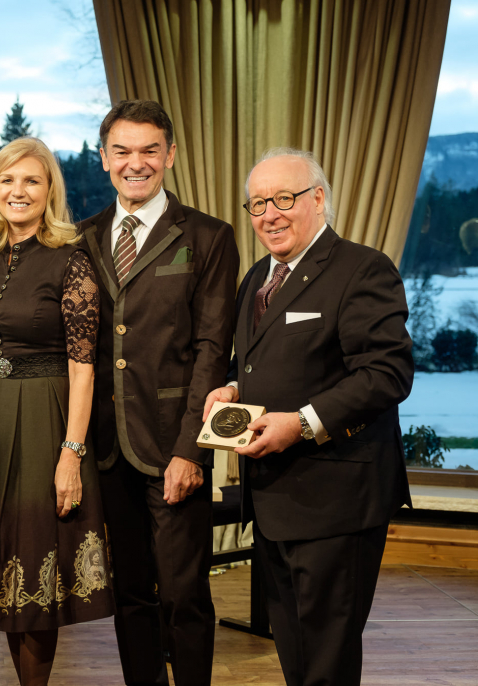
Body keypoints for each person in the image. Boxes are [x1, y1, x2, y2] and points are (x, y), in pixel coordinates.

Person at [203, 148, 413, 686]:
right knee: (297, 656)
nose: (269, 214)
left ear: (318, 199)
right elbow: (253, 361)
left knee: (326, 663)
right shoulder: (258, 276)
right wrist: (232, 386)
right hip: (272, 500)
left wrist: (300, 423)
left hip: (338, 500)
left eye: (283, 198)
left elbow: (386, 373)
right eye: (257, 204)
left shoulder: (362, 269)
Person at [0, 137, 113, 686]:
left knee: (37, 564)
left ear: (49, 190)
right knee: (4, 570)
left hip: (45, 420)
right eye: (7, 181)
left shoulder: (72, 261)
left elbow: (83, 369)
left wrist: (71, 453)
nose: (18, 191)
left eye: (31, 180)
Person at [77, 100, 239, 686]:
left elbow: (212, 350)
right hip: (106, 448)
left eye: (149, 150)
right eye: (122, 151)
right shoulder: (82, 237)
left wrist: (191, 451)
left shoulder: (209, 237)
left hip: (174, 444)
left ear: (170, 155)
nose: (135, 163)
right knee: (130, 593)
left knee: (183, 593)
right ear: (104, 158)